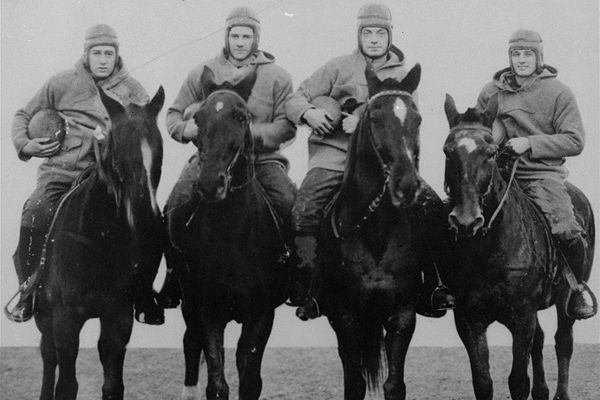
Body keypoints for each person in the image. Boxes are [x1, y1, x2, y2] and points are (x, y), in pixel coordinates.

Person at [285, 2, 455, 320]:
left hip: (387, 164)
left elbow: (405, 119)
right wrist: (309, 112)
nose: (374, 39)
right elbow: (296, 97)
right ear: (359, 35)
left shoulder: (404, 76)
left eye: (380, 33)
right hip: (335, 155)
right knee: (304, 207)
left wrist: (362, 116)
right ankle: (309, 285)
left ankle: (435, 285)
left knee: (431, 208)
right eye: (368, 32)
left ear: (390, 36)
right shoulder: (336, 67)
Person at [7, 24, 165, 325]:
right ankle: (28, 291)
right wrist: (26, 143)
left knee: (153, 222)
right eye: (97, 53)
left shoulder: (133, 90)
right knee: (35, 213)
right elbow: (23, 115)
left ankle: (144, 293)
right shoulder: (61, 83)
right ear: (86, 53)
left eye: (109, 53)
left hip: (109, 181)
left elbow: (145, 129)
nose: (103, 59)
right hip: (62, 173)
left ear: (117, 55)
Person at [158, 6, 297, 307]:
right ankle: (173, 275)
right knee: (175, 203)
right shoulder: (202, 73)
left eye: (247, 36)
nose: (240, 42)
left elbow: (287, 125)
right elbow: (172, 115)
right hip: (211, 159)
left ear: (256, 38)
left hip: (262, 161)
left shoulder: (277, 76)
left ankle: (295, 273)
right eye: (235, 35)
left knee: (290, 202)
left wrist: (251, 136)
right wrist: (189, 130)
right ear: (226, 36)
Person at [476, 29, 596, 319]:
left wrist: (530, 143)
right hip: (500, 175)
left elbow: (575, 140)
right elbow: (477, 130)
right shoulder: (491, 92)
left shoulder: (558, 93)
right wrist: (489, 139)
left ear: (538, 57)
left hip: (542, 175)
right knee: (460, 217)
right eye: (516, 54)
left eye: (527, 54)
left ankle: (576, 288)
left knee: (567, 228)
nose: (521, 60)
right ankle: (452, 287)